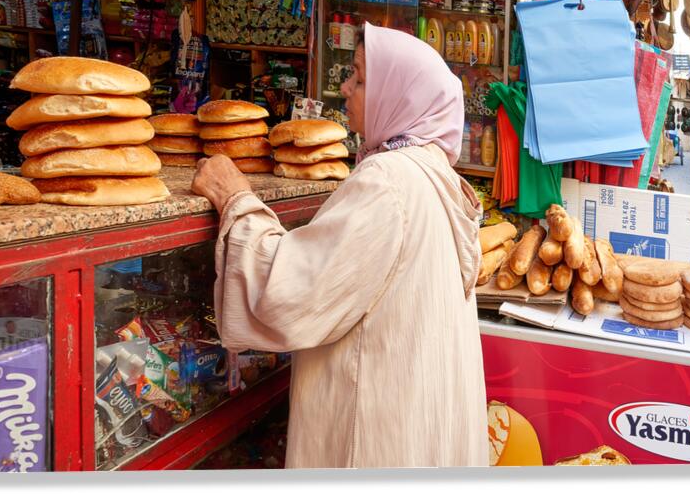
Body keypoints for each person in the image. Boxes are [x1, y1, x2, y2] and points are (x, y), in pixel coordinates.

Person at [191, 23, 488, 469]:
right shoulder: (431, 174)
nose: (346, 88)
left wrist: (236, 198)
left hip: (376, 441)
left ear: (399, 97)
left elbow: (289, 294)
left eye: (361, 78)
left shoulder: (389, 181)